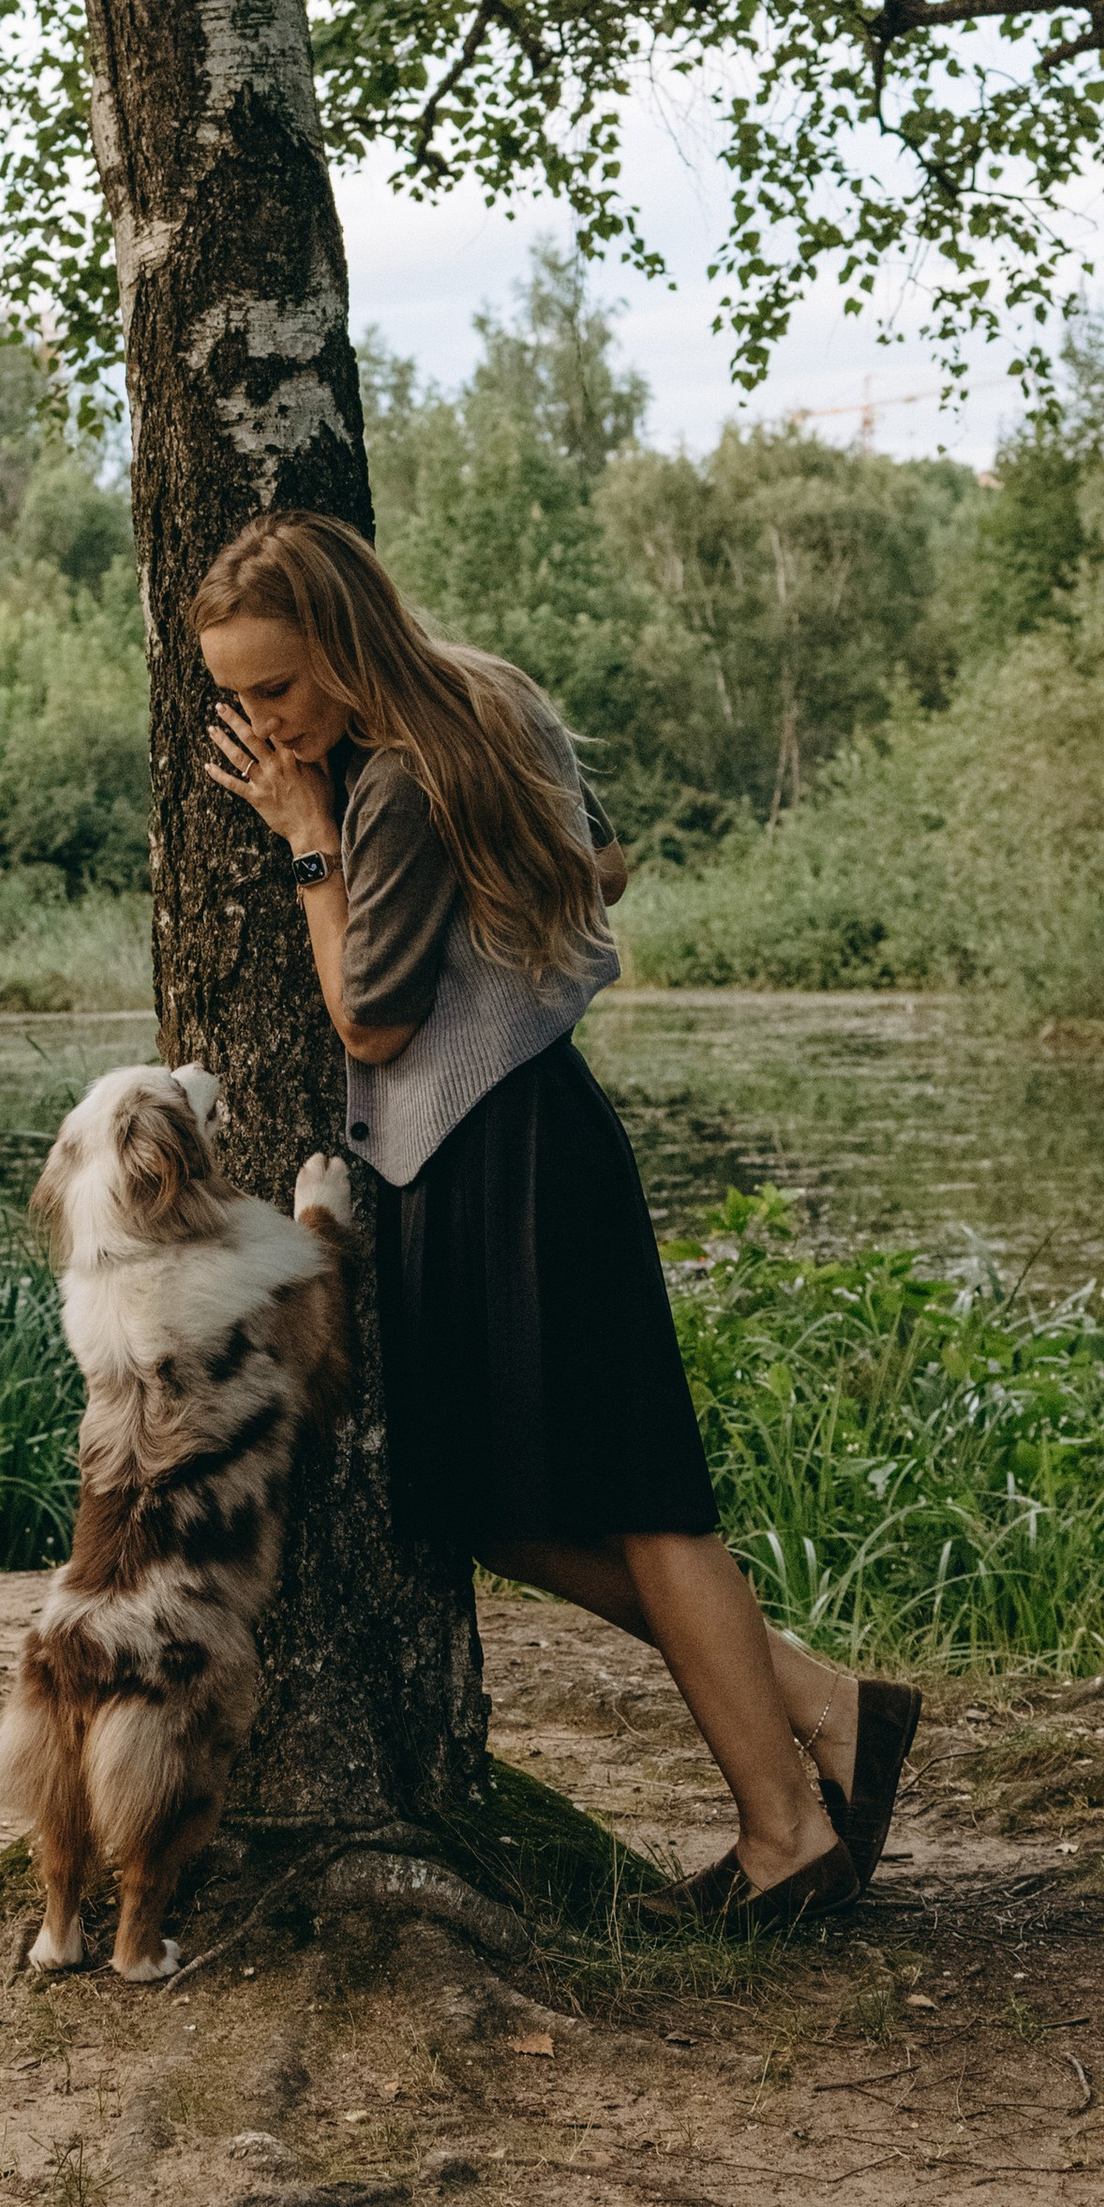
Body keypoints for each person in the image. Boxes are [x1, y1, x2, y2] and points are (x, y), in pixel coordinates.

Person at [195, 508, 918, 1927]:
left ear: (343, 642)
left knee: (638, 1499)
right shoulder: (496, 698)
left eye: (274, 687)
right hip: (528, 1139)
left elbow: (369, 1021)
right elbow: (610, 864)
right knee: (492, 1509)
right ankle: (828, 1707)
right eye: (236, 697)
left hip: (496, 1159)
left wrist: (308, 843)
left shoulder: (388, 786)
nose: (260, 724)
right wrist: (501, 921)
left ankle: (786, 1834)